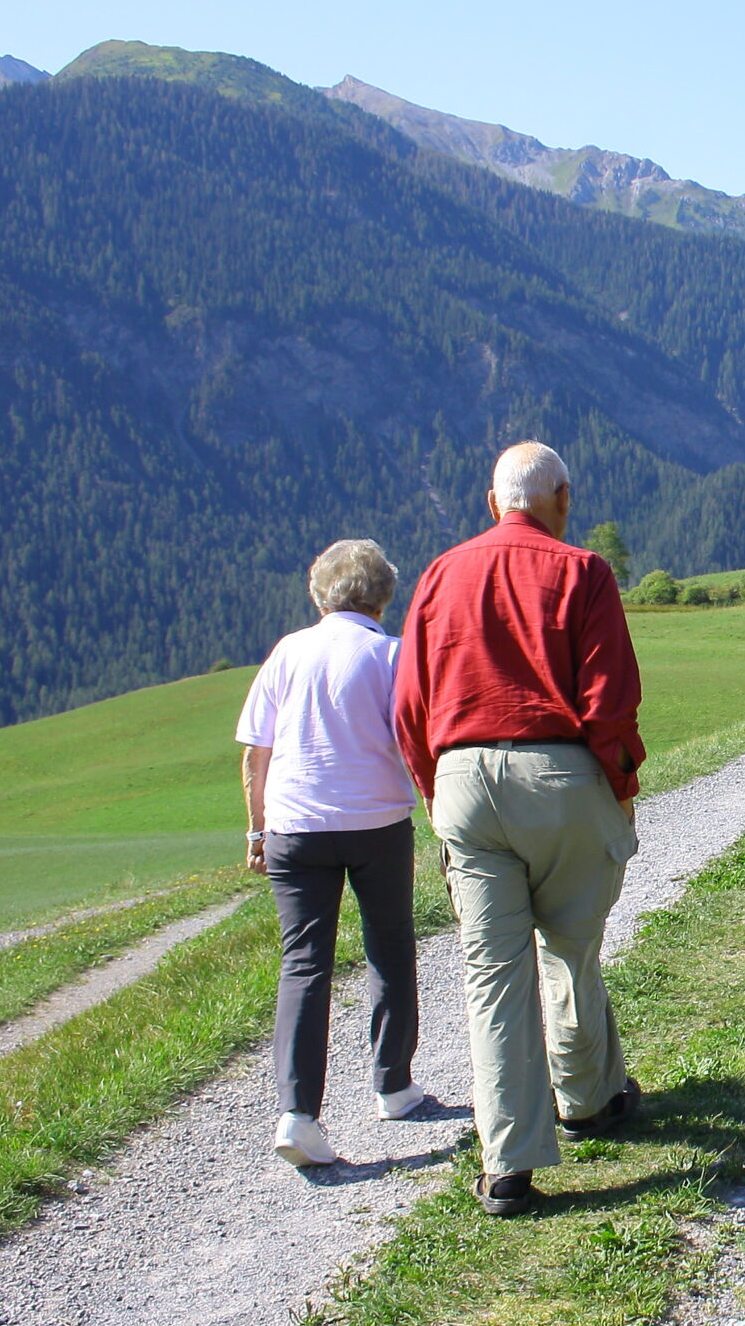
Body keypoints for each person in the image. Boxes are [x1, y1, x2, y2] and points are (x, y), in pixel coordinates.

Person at [393, 442, 645, 1216]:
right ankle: (588, 1099)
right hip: (562, 773)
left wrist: (440, 793)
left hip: (464, 781)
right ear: (562, 497)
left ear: (490, 500)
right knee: (570, 941)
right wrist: (620, 786)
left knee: (492, 975)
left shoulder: (438, 575)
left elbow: (409, 705)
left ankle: (508, 1164)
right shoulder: (584, 572)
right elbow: (610, 699)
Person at [237, 538, 426, 1168]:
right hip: (376, 822)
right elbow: (414, 744)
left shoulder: (287, 652)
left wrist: (257, 831)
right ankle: (393, 1086)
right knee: (390, 945)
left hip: (294, 826)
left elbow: (255, 752)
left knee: (304, 962)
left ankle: (298, 1114)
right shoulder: (392, 654)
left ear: (320, 593)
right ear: (384, 595)